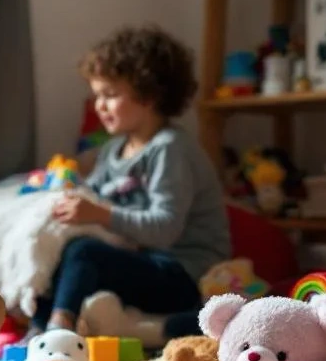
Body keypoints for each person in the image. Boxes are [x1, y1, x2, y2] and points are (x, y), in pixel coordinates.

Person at [30, 25, 230, 344]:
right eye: (96, 95)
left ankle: (58, 336)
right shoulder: (113, 151)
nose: (100, 105)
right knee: (57, 251)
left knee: (84, 252)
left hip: (183, 274)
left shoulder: (169, 149)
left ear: (148, 95)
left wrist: (100, 215)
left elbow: (164, 229)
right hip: (140, 264)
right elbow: (90, 197)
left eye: (110, 95)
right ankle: (37, 330)